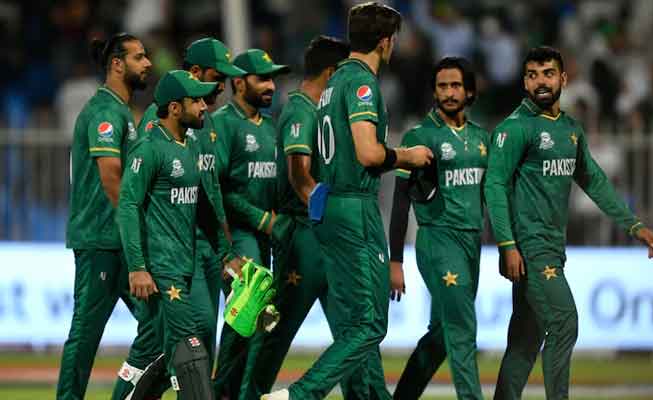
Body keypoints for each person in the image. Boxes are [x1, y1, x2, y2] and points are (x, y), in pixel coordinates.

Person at [263, 3, 433, 399]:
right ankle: (298, 395)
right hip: (354, 206)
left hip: (330, 207)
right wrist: (409, 155)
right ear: (387, 42)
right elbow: (369, 153)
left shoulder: (332, 83)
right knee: (369, 326)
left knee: (353, 323)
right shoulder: (360, 83)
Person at [484, 46, 653, 400]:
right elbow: (494, 186)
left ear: (563, 79)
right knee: (565, 323)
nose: (541, 82)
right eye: (533, 75)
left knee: (525, 340)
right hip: (531, 247)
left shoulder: (570, 129)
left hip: (552, 244)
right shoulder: (515, 129)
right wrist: (507, 245)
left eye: (548, 73)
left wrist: (632, 224)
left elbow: (593, 180)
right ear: (524, 82)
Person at [111, 37, 247, 400]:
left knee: (163, 349)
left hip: (184, 266)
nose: (206, 105)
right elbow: (127, 206)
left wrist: (224, 254)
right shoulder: (150, 147)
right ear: (174, 107)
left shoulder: (187, 145)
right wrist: (138, 267)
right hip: (160, 270)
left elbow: (205, 205)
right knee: (191, 351)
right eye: (197, 100)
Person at [59, 32, 151, 400]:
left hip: (118, 241)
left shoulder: (121, 111)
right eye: (139, 57)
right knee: (86, 334)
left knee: (156, 325)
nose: (147, 64)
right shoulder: (105, 111)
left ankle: (129, 392)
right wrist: (137, 227)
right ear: (117, 64)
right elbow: (111, 176)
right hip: (101, 239)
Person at [390, 57, 488, 400]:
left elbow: (490, 195)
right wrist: (395, 260)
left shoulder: (480, 138)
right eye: (442, 86)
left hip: (472, 243)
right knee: (462, 328)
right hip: (437, 239)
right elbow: (402, 200)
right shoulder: (420, 136)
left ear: (469, 91)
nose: (448, 92)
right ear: (434, 91)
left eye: (456, 85)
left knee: (444, 332)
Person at [211, 48, 290, 399]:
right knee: (246, 313)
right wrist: (262, 219)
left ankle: (236, 391)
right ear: (239, 82)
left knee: (259, 322)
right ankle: (220, 391)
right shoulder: (223, 123)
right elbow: (218, 189)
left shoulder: (271, 127)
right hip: (237, 234)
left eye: (273, 78)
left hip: (265, 238)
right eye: (263, 78)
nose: (271, 85)